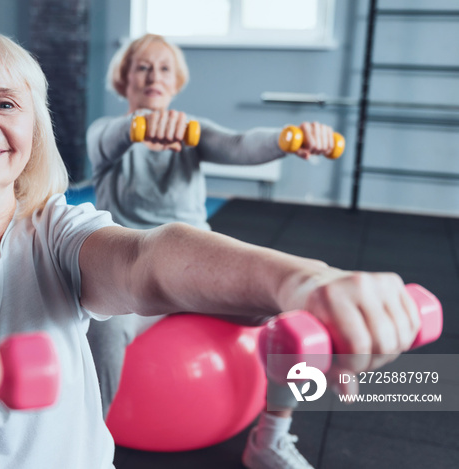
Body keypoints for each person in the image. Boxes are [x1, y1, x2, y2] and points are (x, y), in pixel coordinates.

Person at [0, 29, 419, 469]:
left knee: (276, 318)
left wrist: (307, 282)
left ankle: (274, 430)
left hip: (161, 301)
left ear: (31, 132)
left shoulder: (56, 229)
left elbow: (147, 256)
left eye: (6, 104)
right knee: (109, 333)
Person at [86, 33, 340, 469]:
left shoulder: (193, 132)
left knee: (295, 318)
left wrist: (290, 138)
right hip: (134, 277)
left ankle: (271, 439)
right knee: (104, 329)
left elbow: (240, 145)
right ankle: (86, 451)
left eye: (164, 68)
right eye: (142, 67)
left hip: (198, 270)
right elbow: (109, 137)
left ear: (176, 82)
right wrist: (137, 127)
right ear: (124, 79)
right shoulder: (107, 135)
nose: (153, 76)